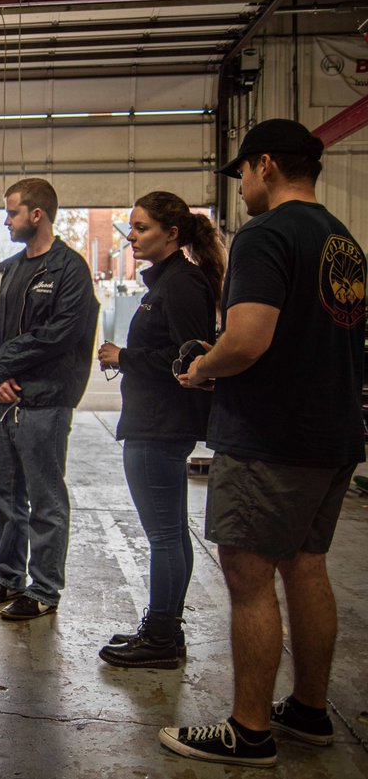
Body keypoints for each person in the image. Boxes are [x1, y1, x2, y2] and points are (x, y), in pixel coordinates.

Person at [160, 119, 364, 768]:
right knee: (306, 564)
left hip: (271, 437)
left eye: (243, 173)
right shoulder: (342, 240)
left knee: (249, 579)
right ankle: (307, 709)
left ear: (267, 165)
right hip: (332, 434)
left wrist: (202, 367)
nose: (242, 187)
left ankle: (249, 729)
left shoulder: (266, 233)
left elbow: (247, 339)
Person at [96, 192, 225, 669]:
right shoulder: (170, 282)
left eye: (142, 227)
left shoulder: (183, 284)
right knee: (170, 533)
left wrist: (122, 357)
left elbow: (190, 358)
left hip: (160, 424)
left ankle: (161, 636)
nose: (132, 235)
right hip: (155, 422)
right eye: (131, 226)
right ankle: (165, 630)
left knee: (165, 536)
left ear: (172, 234)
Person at [0, 178, 99, 620]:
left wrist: (3, 367)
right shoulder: (8, 270)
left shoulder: (69, 269)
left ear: (36, 215)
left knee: (46, 501)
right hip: (1, 402)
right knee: (6, 496)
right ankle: (10, 578)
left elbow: (59, 336)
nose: (6, 220)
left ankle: (44, 589)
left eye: (11, 212)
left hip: (44, 403)